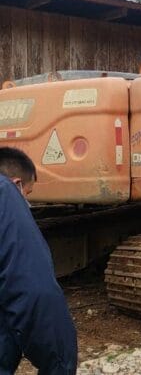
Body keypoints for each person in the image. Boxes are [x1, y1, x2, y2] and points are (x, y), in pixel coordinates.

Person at [0, 147, 78, 374]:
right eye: (28, 193)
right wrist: (61, 364)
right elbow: (35, 291)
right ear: (17, 185)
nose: (27, 202)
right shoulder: (5, 194)